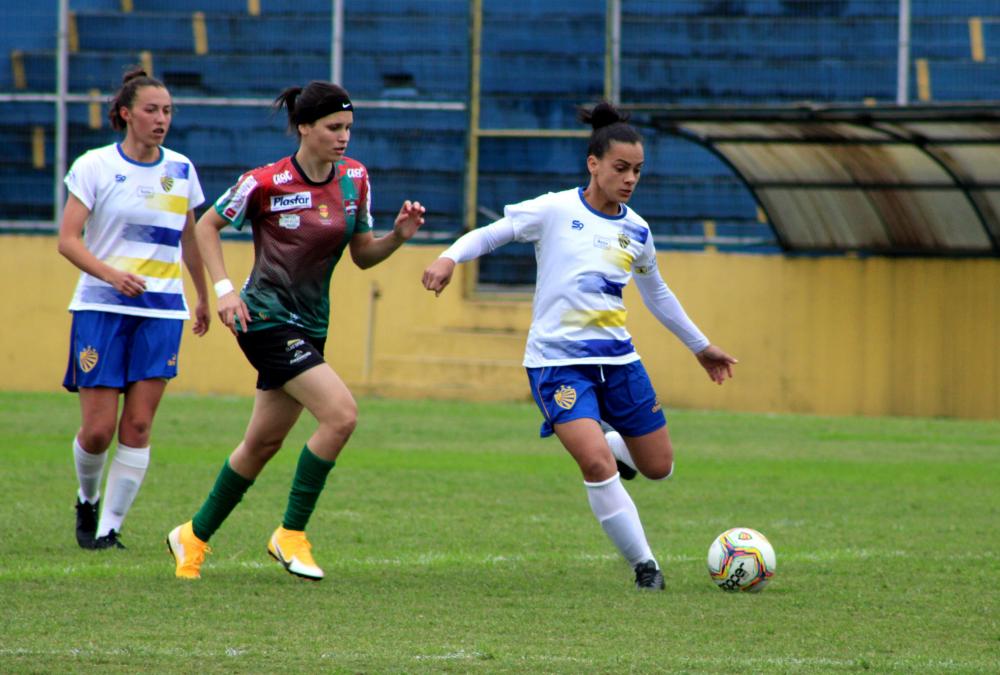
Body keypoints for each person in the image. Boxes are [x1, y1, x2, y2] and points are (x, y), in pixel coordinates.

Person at [422, 101, 737, 591]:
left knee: (658, 467)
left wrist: (701, 346)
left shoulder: (637, 230)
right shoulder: (555, 209)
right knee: (594, 464)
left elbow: (657, 294)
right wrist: (448, 258)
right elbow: (492, 233)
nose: (630, 178)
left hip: (619, 362)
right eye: (620, 168)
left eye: (637, 170)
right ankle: (646, 567)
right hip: (558, 364)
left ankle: (612, 444)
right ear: (593, 164)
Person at [166, 81, 425, 581]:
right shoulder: (265, 182)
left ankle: (192, 536)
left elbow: (364, 255)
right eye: (333, 128)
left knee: (261, 445)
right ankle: (291, 534)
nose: (343, 137)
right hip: (262, 319)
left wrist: (397, 237)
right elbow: (205, 227)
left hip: (310, 326)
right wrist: (223, 290)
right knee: (341, 416)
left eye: (348, 127)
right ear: (305, 127)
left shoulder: (356, 178)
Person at [58, 66, 210, 550]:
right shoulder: (95, 166)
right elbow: (67, 240)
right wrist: (111, 275)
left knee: (139, 424)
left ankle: (109, 529)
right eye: (151, 110)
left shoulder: (181, 169)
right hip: (101, 308)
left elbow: (190, 238)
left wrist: (203, 296)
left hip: (162, 312)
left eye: (167, 110)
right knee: (99, 430)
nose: (161, 118)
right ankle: (87, 498)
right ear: (126, 114)